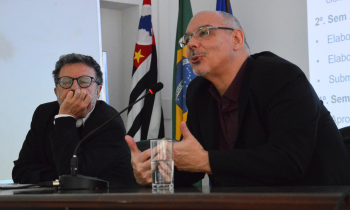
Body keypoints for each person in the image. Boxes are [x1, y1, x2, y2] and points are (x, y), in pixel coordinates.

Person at [125, 11, 350, 186]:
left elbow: (289, 161)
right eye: (186, 40)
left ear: (236, 39)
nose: (191, 44)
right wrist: (154, 171)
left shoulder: (280, 77)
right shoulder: (199, 92)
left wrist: (206, 161)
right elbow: (193, 165)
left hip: (318, 198)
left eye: (203, 32)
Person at [13, 53, 136, 187]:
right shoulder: (43, 114)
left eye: (84, 81)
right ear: (56, 92)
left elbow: (74, 182)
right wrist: (58, 178)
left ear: (98, 91)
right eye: (66, 82)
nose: (75, 88)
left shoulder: (109, 123)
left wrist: (65, 119)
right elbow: (20, 171)